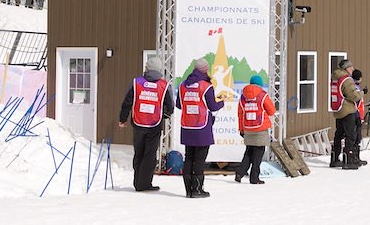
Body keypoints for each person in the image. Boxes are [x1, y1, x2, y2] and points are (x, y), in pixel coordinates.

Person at [118, 56, 174, 192]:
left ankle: (137, 182)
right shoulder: (164, 85)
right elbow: (170, 106)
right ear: (160, 69)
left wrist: (122, 119)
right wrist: (163, 116)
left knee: (139, 153)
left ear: (146, 68)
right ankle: (144, 184)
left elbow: (127, 102)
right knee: (149, 154)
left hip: (138, 123)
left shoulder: (136, 83)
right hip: (155, 124)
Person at [177, 58, 224, 198]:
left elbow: (179, 105)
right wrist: (221, 101)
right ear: (205, 70)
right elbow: (213, 106)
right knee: (199, 159)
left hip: (187, 126)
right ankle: (197, 190)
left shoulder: (183, 85)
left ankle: (188, 190)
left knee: (189, 157)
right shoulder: (206, 86)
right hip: (201, 127)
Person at [235, 75, 276, 184]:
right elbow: (272, 111)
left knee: (249, 151)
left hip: (248, 127)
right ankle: (254, 178)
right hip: (260, 128)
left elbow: (240, 114)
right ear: (260, 84)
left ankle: (240, 172)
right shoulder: (262, 95)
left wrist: (241, 129)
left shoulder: (243, 97)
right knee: (258, 153)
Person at [329, 59, 362, 170]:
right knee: (350, 135)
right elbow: (353, 95)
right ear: (346, 68)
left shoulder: (335, 77)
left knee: (338, 134)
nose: (352, 69)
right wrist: (360, 93)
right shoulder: (347, 79)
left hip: (338, 110)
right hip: (347, 110)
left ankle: (334, 159)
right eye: (350, 67)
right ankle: (349, 160)